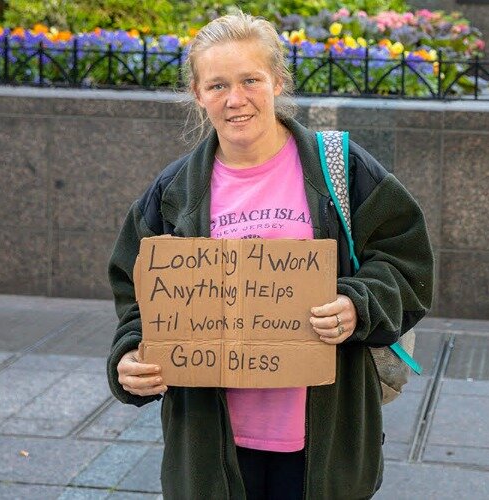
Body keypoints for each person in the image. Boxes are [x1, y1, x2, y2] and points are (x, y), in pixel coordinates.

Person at [107, 12, 434, 500]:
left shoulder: (339, 168)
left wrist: (357, 304)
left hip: (320, 443)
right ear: (198, 94)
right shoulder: (173, 192)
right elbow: (136, 293)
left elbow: (405, 262)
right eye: (217, 85)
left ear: (278, 81)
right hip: (212, 446)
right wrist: (131, 355)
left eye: (250, 80)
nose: (235, 99)